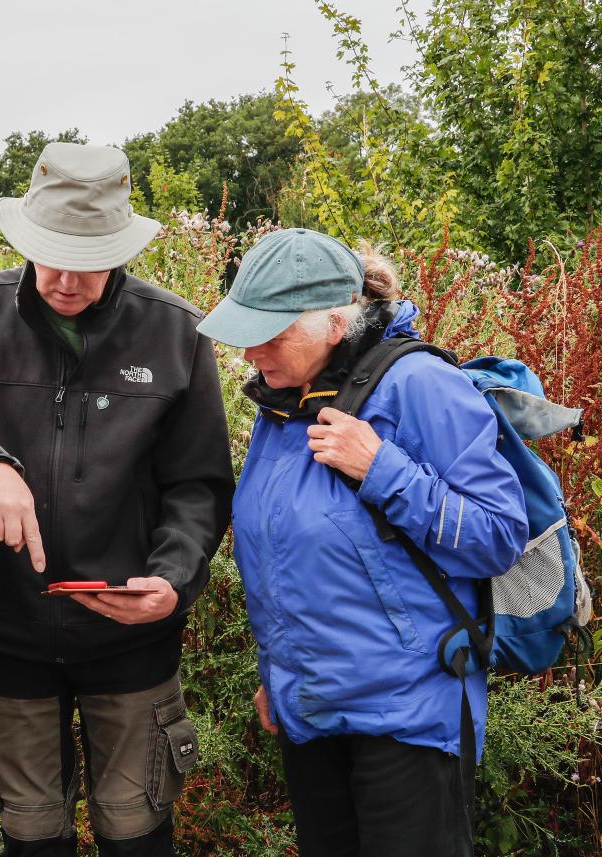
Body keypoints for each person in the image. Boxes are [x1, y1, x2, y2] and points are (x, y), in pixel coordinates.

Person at [0, 142, 235, 856]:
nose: (65, 278)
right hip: (9, 633)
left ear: (120, 248)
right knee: (30, 838)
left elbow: (199, 487)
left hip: (133, 639)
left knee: (138, 832)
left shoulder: (176, 330)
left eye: (87, 260)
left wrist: (173, 582)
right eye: (50, 253)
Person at [196, 228, 529, 856]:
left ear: (334, 318)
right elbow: (283, 551)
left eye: (272, 332)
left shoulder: (420, 384)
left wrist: (384, 469)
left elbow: (499, 535)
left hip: (409, 714)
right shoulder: (284, 404)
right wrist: (280, 670)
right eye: (246, 331)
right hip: (312, 710)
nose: (250, 352)